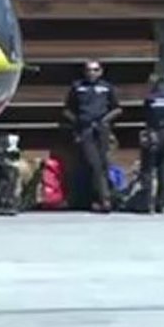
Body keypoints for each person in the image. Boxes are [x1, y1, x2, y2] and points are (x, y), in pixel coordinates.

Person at [62, 60, 122, 213]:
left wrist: (105, 121)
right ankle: (103, 199)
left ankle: (103, 199)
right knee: (94, 164)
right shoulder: (77, 87)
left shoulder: (107, 87)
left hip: (102, 129)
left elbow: (117, 109)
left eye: (95, 70)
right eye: (89, 70)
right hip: (85, 130)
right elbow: (66, 110)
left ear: (100, 71)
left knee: (103, 164)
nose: (92, 73)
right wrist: (78, 123)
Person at [141, 73, 164, 214]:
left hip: (153, 133)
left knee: (148, 168)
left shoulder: (150, 99)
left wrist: (147, 135)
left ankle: (148, 202)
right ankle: (162, 203)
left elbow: (147, 117)